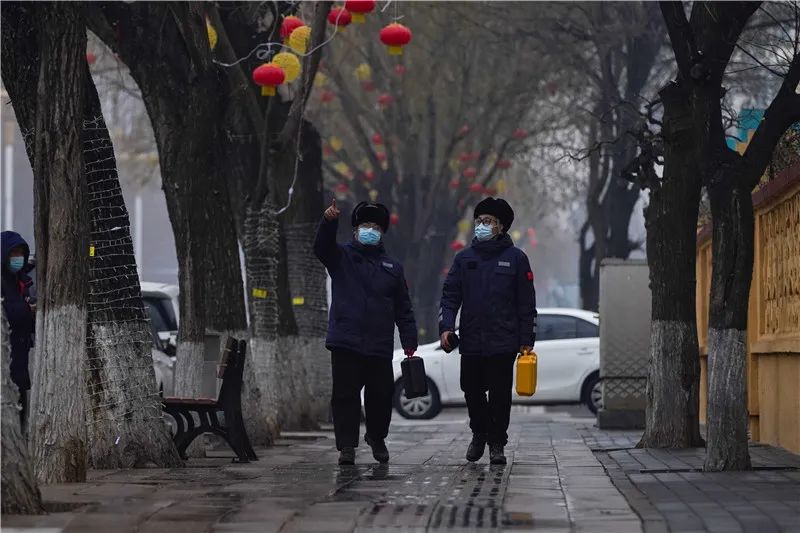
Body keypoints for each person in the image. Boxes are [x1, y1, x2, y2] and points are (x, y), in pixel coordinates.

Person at [314, 199, 418, 465]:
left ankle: (376, 437)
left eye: (375, 226)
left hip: (379, 344)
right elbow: (321, 249)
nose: (370, 230)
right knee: (345, 397)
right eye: (365, 225)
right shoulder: (341, 257)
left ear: (382, 232)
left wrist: (409, 342)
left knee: (380, 397)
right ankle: (346, 447)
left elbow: (403, 309)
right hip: (345, 342)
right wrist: (328, 222)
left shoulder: (393, 268)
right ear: (356, 229)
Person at [438, 198, 537, 465]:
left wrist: (527, 339)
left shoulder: (517, 259)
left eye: (489, 221)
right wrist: (446, 327)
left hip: (504, 342)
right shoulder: (464, 259)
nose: (482, 225)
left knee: (500, 395)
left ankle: (496, 443)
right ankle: (479, 433)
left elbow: (526, 304)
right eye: (479, 220)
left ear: (501, 226)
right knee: (471, 390)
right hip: (471, 340)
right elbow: (449, 297)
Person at [1, 231, 35, 427]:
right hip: (6, 360)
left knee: (20, 411)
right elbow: (8, 312)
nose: (18, 259)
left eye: (21, 254)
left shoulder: (20, 281)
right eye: (13, 254)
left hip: (19, 361)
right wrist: (26, 310)